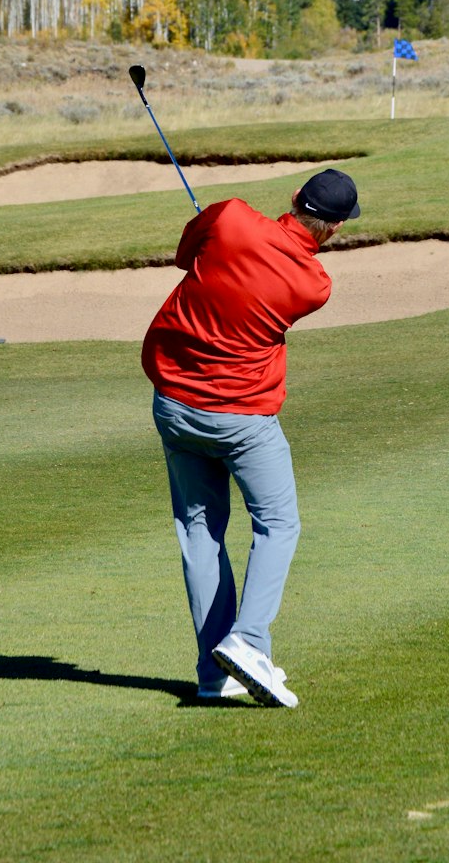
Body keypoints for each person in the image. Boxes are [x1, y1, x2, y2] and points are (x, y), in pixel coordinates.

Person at [142, 167, 361, 707]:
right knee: (279, 523)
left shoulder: (232, 216)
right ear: (333, 230)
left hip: (175, 404)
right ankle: (248, 641)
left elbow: (186, 254)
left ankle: (213, 675)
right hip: (244, 418)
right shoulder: (315, 286)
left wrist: (214, 229)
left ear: (294, 197)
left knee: (199, 533)